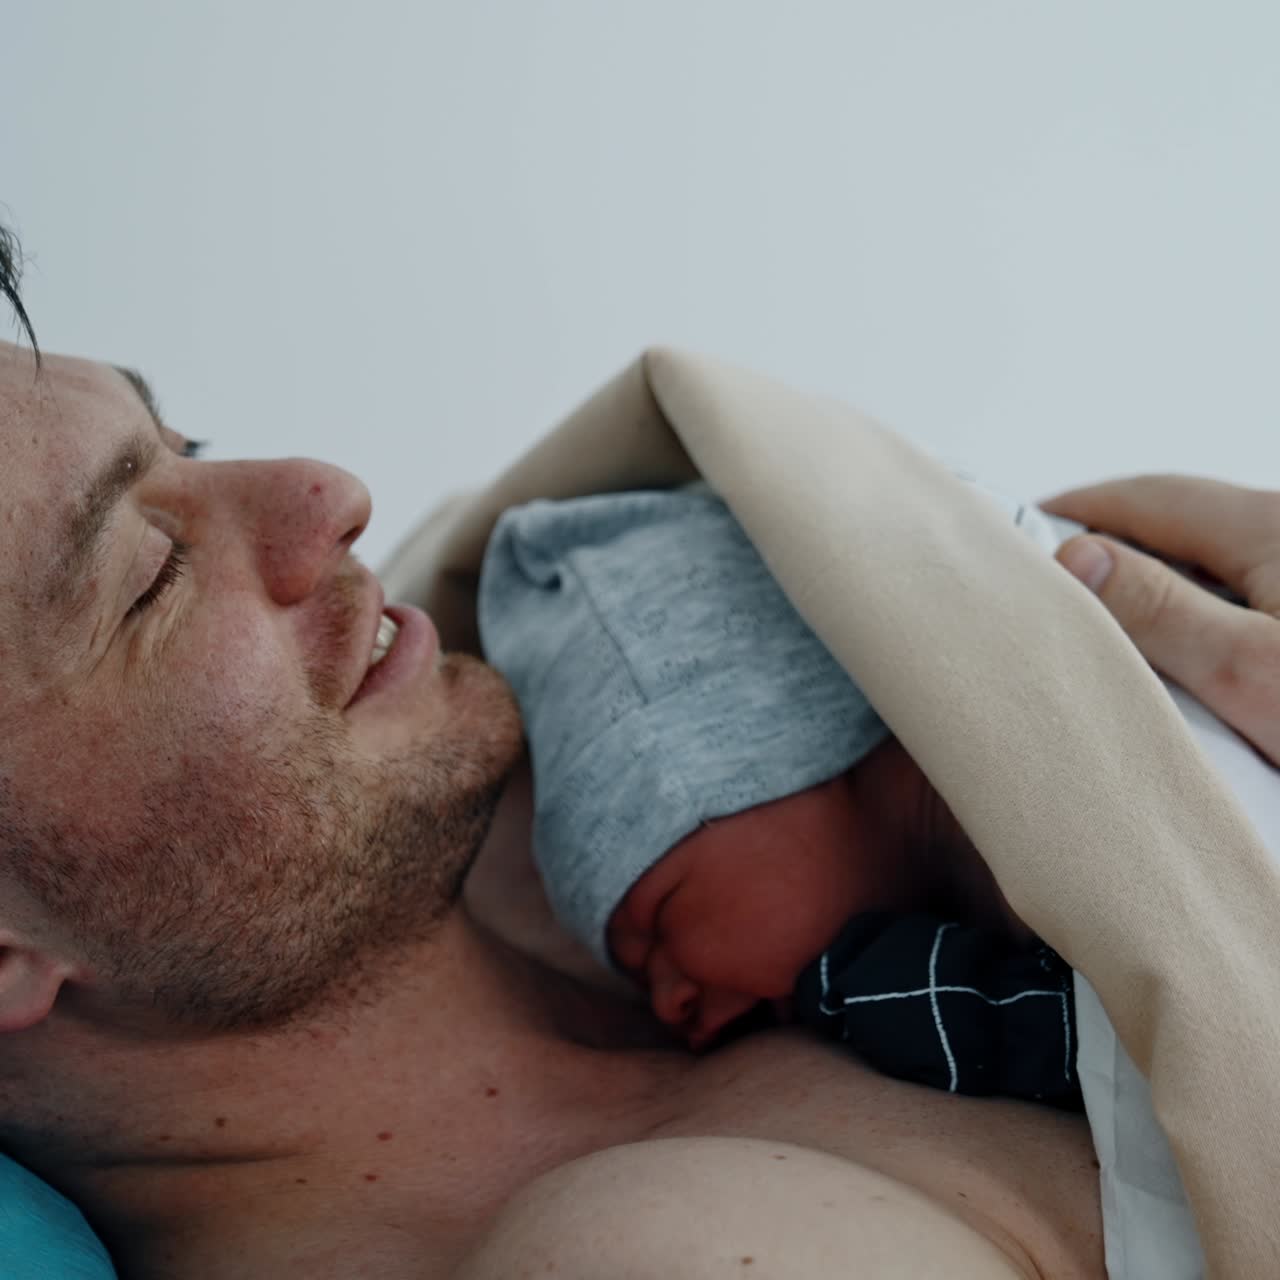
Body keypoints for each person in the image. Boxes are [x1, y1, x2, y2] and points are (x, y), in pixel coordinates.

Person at [0, 221, 1276, 1278]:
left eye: (189, 447)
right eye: (148, 572)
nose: (327, 492)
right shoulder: (652, 1247)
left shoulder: (604, 700)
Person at [477, 483, 1080, 1109]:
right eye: (637, 978)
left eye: (658, 925)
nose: (667, 1004)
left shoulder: (1061, 781)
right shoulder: (917, 977)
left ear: (782, 755)